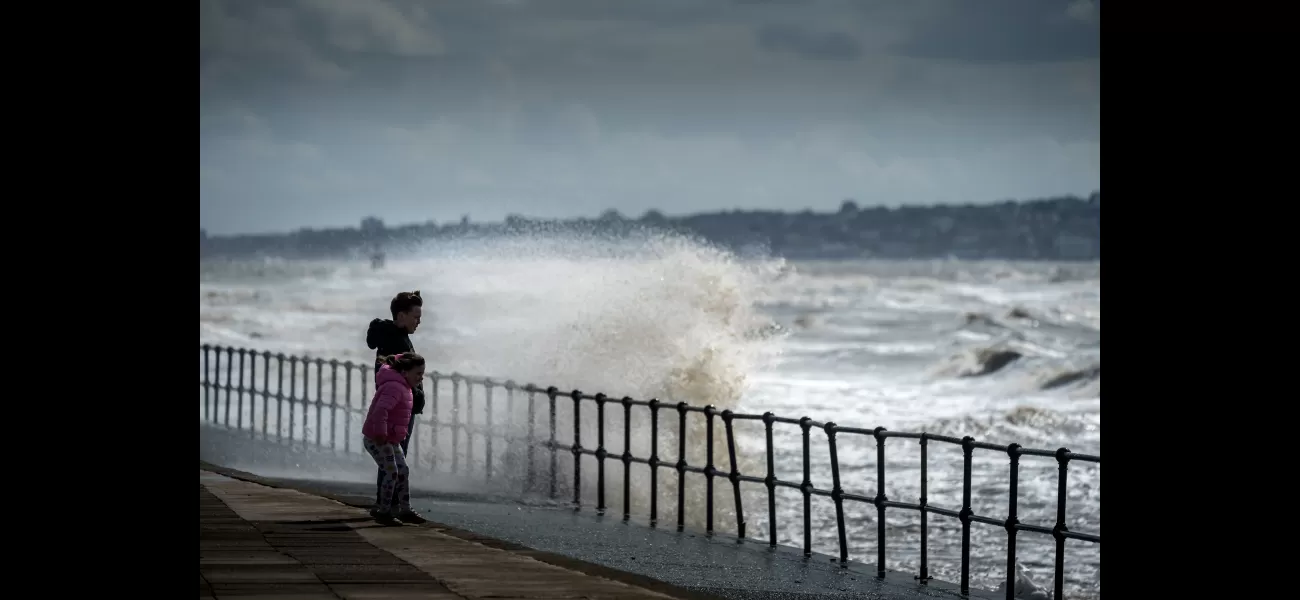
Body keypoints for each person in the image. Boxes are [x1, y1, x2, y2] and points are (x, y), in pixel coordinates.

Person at [366, 290, 426, 515]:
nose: (418, 322)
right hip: (397, 410)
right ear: (401, 316)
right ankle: (387, 507)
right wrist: (416, 397)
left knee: (394, 461)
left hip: (402, 408)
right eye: (415, 317)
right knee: (392, 460)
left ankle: (394, 506)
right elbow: (394, 378)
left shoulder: (395, 336)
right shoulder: (394, 339)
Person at [361, 353, 429, 526]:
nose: (421, 378)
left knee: (403, 471)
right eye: (418, 373)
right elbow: (381, 411)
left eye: (422, 373)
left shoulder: (405, 387)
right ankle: (384, 512)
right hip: (377, 438)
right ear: (405, 372)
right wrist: (381, 433)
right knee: (391, 471)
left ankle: (404, 510)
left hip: (390, 439)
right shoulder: (394, 387)